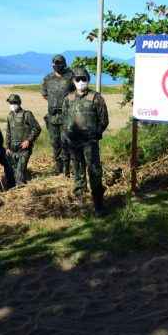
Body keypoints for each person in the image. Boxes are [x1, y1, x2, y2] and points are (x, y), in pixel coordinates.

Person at [62, 67, 109, 215]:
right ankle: (80, 205)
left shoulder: (96, 98)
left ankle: (98, 206)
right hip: (74, 144)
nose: (81, 82)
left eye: (84, 79)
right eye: (78, 79)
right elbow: (64, 120)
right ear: (73, 81)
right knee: (77, 173)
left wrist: (95, 135)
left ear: (88, 80)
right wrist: (68, 136)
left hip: (90, 143)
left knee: (94, 172)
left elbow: (104, 120)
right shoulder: (68, 99)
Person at [41, 54, 75, 175]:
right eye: (55, 63)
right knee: (55, 143)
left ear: (64, 64)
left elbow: (77, 93)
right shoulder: (47, 78)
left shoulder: (71, 76)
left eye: (59, 63)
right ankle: (58, 168)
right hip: (52, 117)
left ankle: (67, 169)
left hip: (66, 116)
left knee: (66, 142)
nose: (57, 65)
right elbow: (44, 94)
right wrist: (54, 103)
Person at [5, 93, 42, 185]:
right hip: (12, 149)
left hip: (24, 149)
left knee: (19, 174)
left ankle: (20, 190)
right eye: (10, 103)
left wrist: (28, 140)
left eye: (14, 102)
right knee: (11, 173)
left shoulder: (27, 114)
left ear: (19, 103)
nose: (12, 105)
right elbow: (8, 132)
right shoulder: (10, 116)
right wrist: (7, 147)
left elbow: (37, 128)